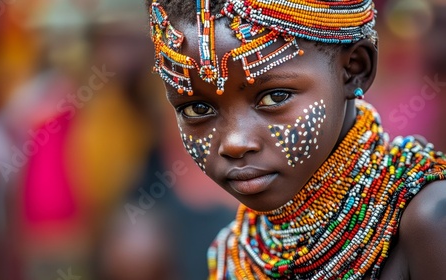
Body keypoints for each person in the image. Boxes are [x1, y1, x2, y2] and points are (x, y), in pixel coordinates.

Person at [145, 0, 446, 279]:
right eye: (197, 108)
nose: (235, 143)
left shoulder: (429, 219)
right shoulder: (233, 253)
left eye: (275, 97)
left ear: (355, 69)